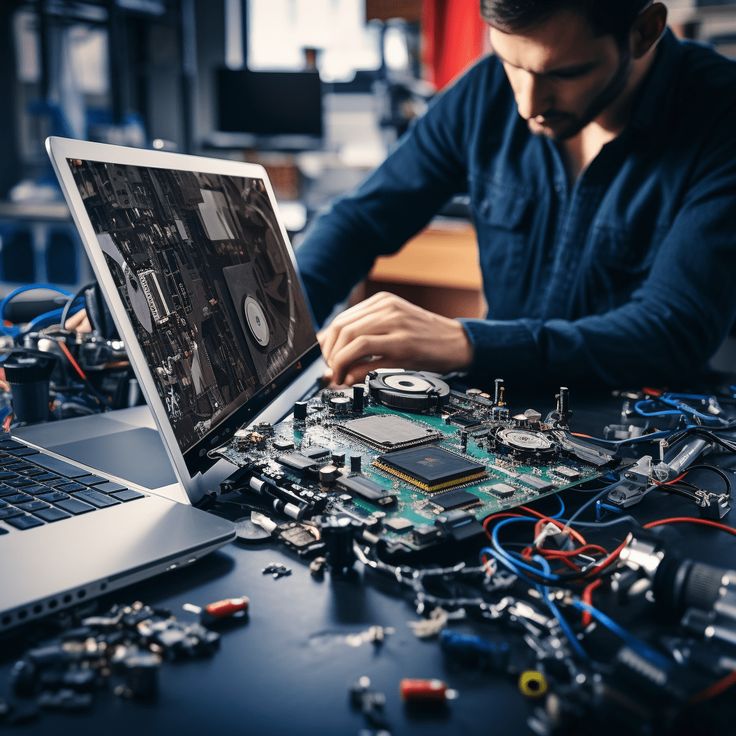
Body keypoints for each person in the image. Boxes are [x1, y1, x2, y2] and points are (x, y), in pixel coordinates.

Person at [301, 0, 736, 389]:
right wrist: (282, 333)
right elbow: (359, 222)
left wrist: (466, 343)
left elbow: (672, 329)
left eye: (564, 73)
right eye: (511, 62)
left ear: (644, 31)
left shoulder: (721, 115)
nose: (528, 104)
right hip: (498, 423)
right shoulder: (484, 91)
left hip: (648, 432)